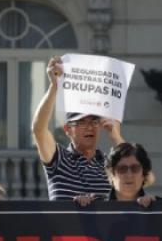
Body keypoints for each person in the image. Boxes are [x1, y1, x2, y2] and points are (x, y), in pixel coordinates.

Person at [31, 56, 125, 201]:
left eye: (94, 121)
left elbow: (144, 176)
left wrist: (116, 137)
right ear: (67, 129)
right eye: (81, 122)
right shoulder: (59, 160)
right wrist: (54, 87)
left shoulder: (109, 164)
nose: (89, 127)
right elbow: (38, 130)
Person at [74, 142, 161, 208]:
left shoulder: (161, 207)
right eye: (122, 169)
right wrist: (79, 210)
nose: (129, 175)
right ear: (111, 174)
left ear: (143, 174)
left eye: (135, 168)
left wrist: (157, 210)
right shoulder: (94, 207)